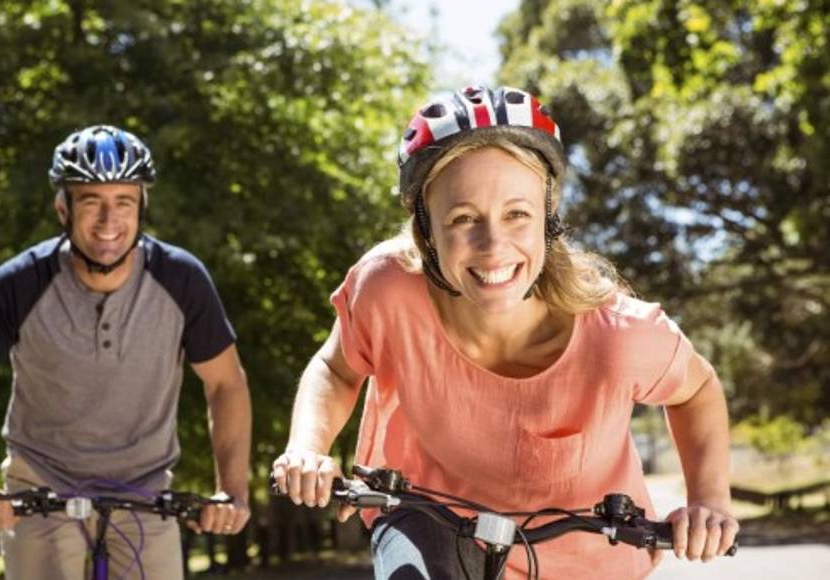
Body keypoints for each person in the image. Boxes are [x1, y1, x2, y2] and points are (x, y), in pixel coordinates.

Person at [271, 86, 739, 579]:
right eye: (463, 218)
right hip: (430, 526)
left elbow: (697, 390)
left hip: (588, 561)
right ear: (426, 231)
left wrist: (709, 500)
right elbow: (335, 368)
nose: (493, 246)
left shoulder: (618, 335)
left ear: (548, 220)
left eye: (517, 214)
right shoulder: (387, 290)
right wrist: (307, 447)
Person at [0, 125, 252, 579]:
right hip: (41, 487)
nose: (108, 220)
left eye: (124, 202)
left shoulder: (181, 280)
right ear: (64, 207)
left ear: (142, 208)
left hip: (145, 489)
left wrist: (232, 492)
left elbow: (225, 383)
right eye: (91, 201)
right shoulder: (21, 283)